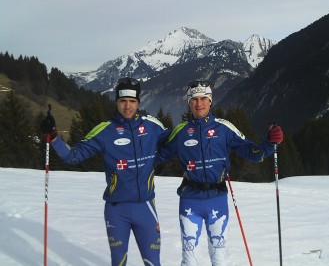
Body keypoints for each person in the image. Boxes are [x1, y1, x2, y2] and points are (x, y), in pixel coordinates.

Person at [40, 77, 170, 266]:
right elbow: (73, 156)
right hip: (117, 210)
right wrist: (53, 137)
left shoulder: (153, 126)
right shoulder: (105, 130)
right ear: (116, 101)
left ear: (138, 102)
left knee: (153, 262)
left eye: (132, 101)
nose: (127, 106)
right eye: (123, 101)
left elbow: (175, 144)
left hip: (146, 208)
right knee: (118, 262)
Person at [157, 80, 283, 266]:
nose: (199, 104)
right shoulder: (181, 131)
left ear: (210, 101)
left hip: (217, 200)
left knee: (219, 257)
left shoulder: (224, 128)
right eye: (194, 99)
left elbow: (252, 153)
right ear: (189, 102)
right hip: (189, 200)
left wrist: (270, 143)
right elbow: (158, 156)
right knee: (189, 258)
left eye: (203, 99)